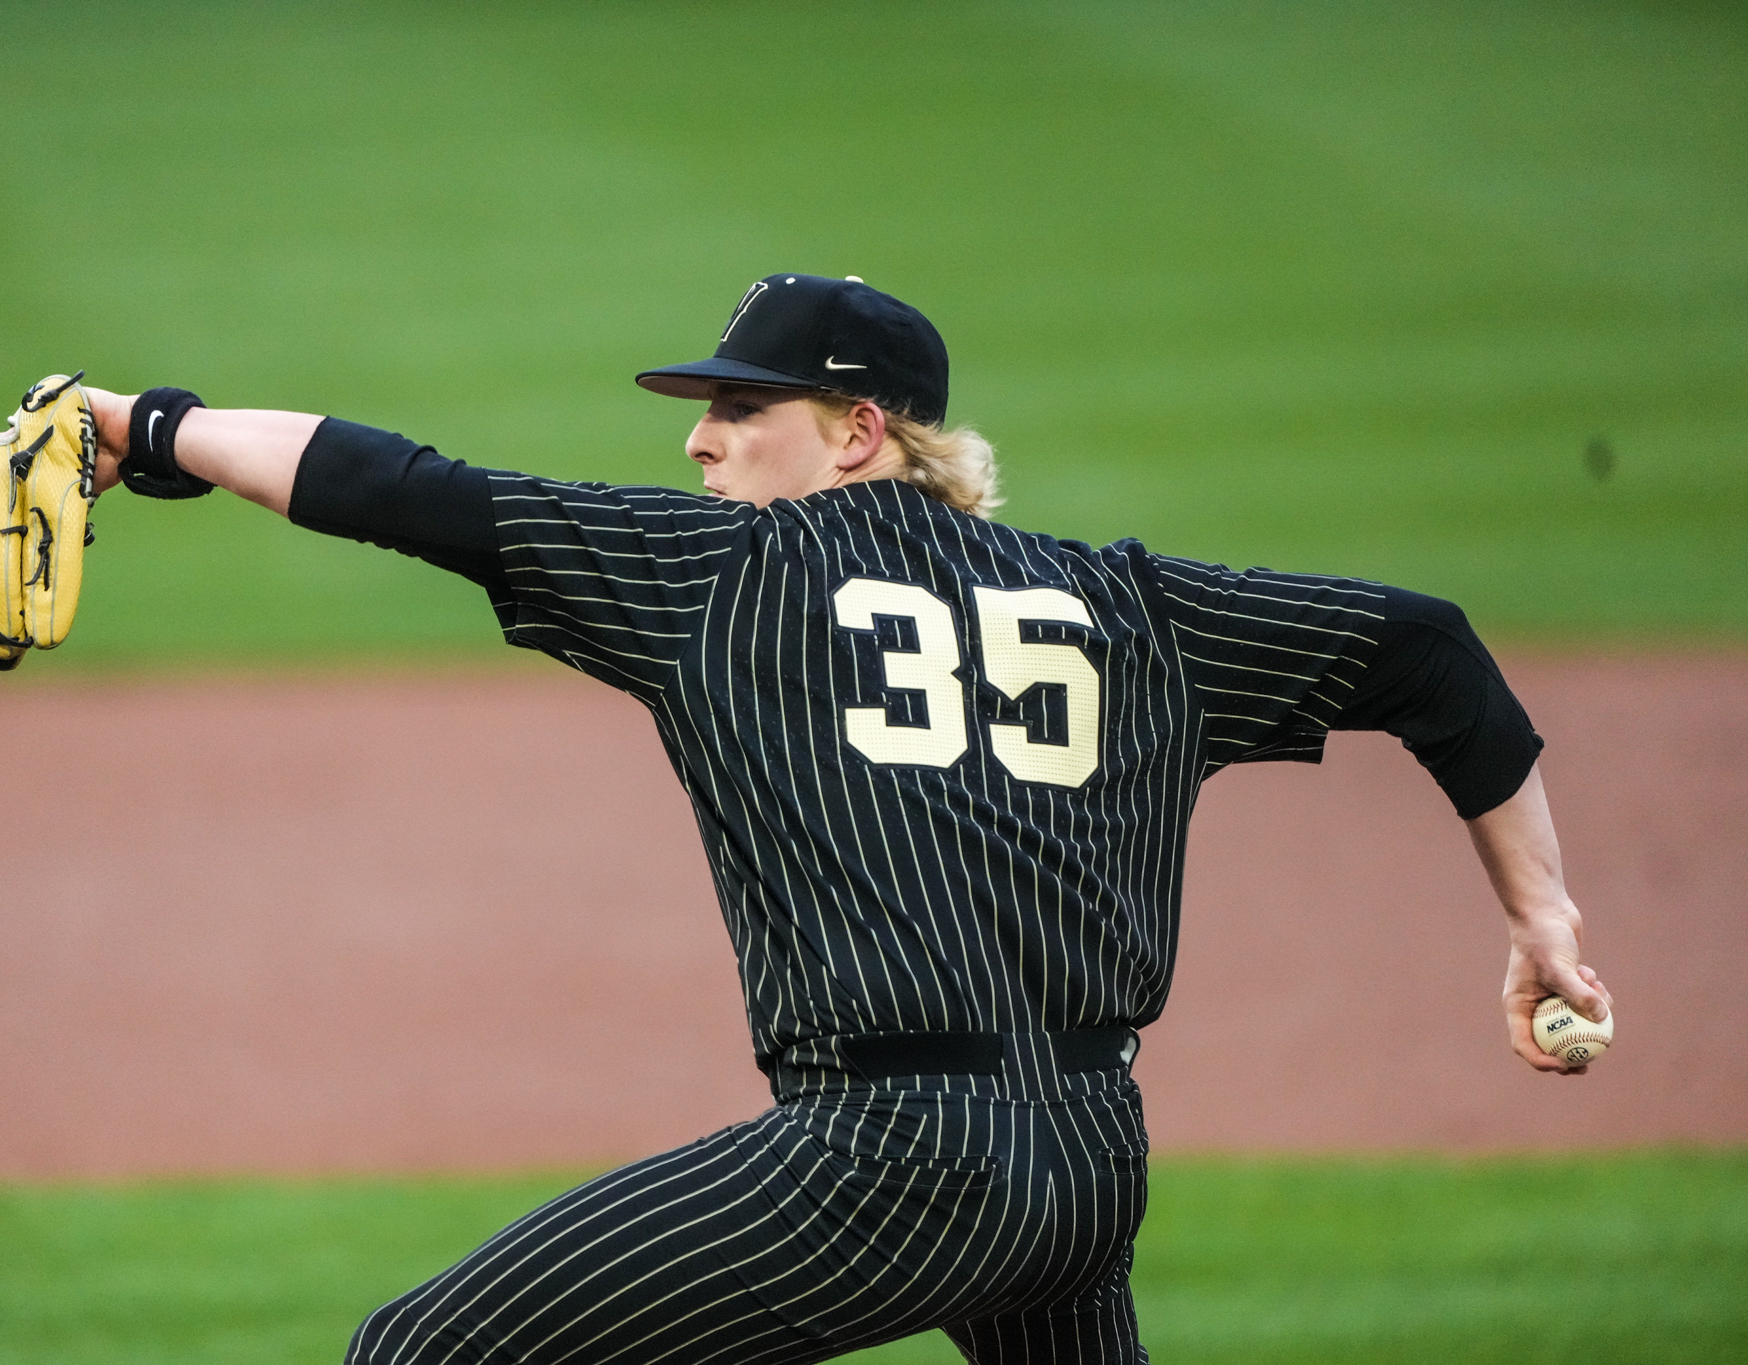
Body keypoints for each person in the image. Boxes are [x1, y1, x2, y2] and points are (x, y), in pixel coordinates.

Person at [82, 273, 1611, 1365]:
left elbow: (396, 488)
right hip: (1086, 1160)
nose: (700, 442)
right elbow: (1428, 649)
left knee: (423, 1351)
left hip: (888, 1162)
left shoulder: (723, 577)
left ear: (861, 428)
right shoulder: (1131, 605)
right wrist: (1542, 916)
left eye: (741, 410)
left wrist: (147, 428)